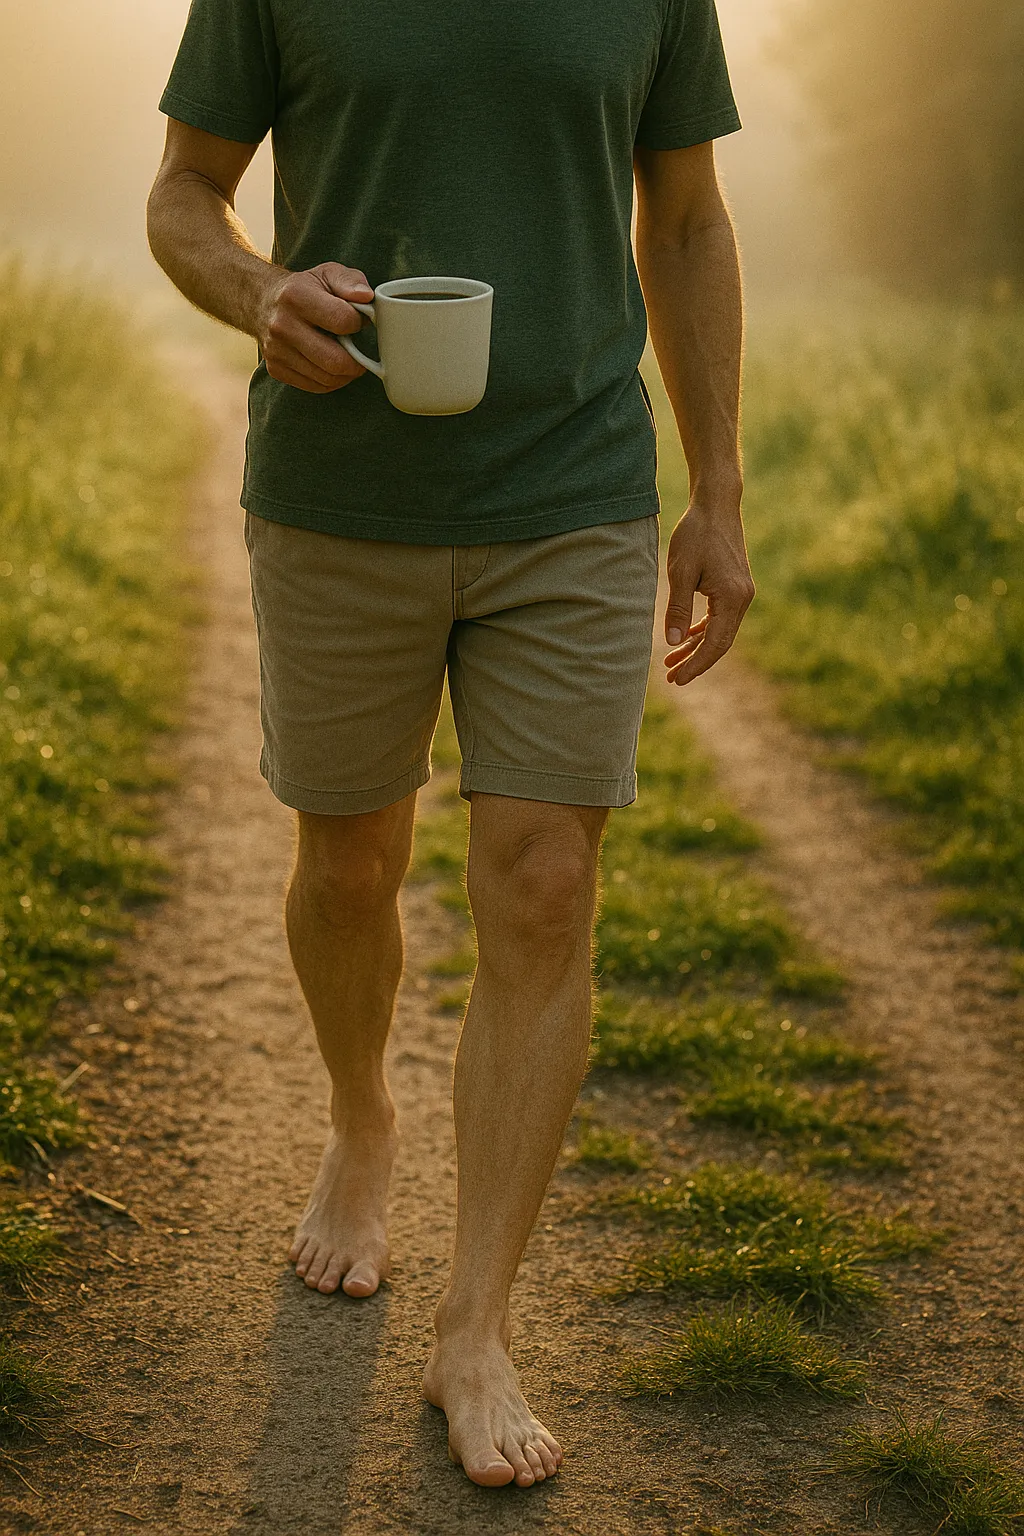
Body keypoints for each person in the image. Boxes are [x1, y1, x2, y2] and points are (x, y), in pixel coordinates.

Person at [148, 0, 754, 1492]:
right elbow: (182, 195)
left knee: (544, 881)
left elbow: (682, 218)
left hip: (575, 488)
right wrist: (258, 289)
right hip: (338, 496)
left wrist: (720, 490)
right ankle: (364, 1122)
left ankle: (474, 1327)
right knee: (350, 864)